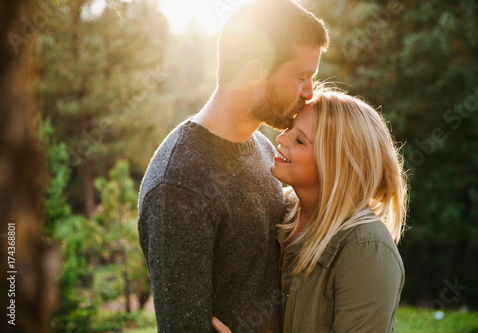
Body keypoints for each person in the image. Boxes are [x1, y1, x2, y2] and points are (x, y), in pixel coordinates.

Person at [137, 0, 329, 332]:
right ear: (254, 71)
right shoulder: (179, 184)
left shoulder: (264, 150)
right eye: (302, 77)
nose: (310, 92)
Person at [213, 88, 408, 332]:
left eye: (299, 140)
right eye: (290, 128)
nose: (281, 139)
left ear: (335, 163)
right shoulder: (277, 211)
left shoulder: (366, 250)